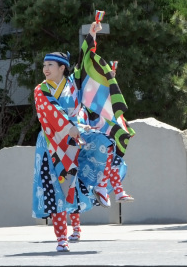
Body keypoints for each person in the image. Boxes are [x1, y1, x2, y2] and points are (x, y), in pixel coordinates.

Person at [32, 22, 115, 252]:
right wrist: (68, 127)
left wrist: (91, 35)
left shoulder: (73, 84)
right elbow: (50, 111)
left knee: (104, 142)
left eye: (50, 65)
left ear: (62, 68)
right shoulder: (41, 90)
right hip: (52, 142)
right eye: (44, 65)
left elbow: (85, 61)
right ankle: (62, 238)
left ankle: (100, 185)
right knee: (58, 188)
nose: (45, 69)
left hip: (75, 134)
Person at [77, 21, 136, 207]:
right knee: (109, 144)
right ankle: (107, 189)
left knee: (115, 149)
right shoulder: (78, 91)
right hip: (78, 137)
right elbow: (85, 58)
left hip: (95, 140)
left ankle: (109, 189)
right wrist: (92, 35)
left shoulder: (100, 103)